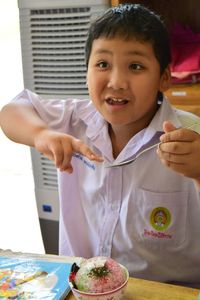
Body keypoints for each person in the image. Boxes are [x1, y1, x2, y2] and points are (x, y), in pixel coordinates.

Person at [1, 3, 200, 287]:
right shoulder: (75, 119)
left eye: (136, 66)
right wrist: (41, 135)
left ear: (164, 78)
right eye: (103, 64)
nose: (116, 82)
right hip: (81, 288)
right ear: (86, 72)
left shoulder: (191, 135)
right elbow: (12, 111)